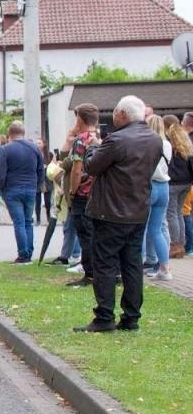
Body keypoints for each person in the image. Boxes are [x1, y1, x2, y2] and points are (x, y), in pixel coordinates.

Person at [75, 95, 161, 332]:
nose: (113, 116)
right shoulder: (154, 139)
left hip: (110, 211)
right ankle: (131, 317)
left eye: (114, 112)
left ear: (123, 114)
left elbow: (92, 167)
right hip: (138, 209)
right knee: (132, 264)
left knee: (105, 264)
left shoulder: (116, 140)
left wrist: (93, 146)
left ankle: (104, 317)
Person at [0, 120, 45, 263]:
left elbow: (0, 173)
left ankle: (23, 254)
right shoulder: (34, 148)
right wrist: (36, 186)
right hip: (30, 188)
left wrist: (2, 189)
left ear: (10, 134)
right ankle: (29, 253)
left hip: (12, 189)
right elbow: (40, 170)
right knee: (28, 222)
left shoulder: (5, 149)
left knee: (19, 222)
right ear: (23, 133)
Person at [62, 104, 102, 286]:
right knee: (96, 234)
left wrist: (72, 190)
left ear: (79, 119)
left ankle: (90, 274)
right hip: (97, 193)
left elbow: (77, 169)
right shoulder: (99, 137)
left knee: (85, 235)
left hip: (83, 194)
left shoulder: (81, 140)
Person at [141, 115, 173, 281]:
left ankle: (136, 266)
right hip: (164, 186)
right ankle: (165, 268)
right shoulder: (167, 144)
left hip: (149, 185)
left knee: (140, 228)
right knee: (157, 229)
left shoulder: (147, 144)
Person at [167, 120, 193, 260]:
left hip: (173, 184)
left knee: (171, 214)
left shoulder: (170, 148)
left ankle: (174, 245)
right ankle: (181, 244)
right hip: (186, 183)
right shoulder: (188, 147)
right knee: (180, 213)